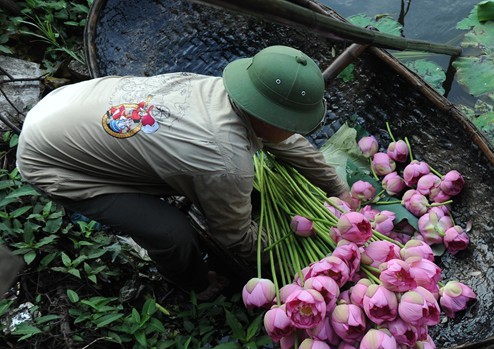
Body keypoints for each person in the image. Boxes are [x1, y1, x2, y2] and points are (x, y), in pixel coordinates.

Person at [16, 45, 350, 299]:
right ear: (269, 115)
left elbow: (284, 141)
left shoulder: (222, 89)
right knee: (171, 233)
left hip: (61, 105)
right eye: (293, 124)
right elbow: (234, 236)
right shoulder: (226, 163)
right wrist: (305, 247)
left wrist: (336, 187)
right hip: (50, 161)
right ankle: (192, 283)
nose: (297, 132)